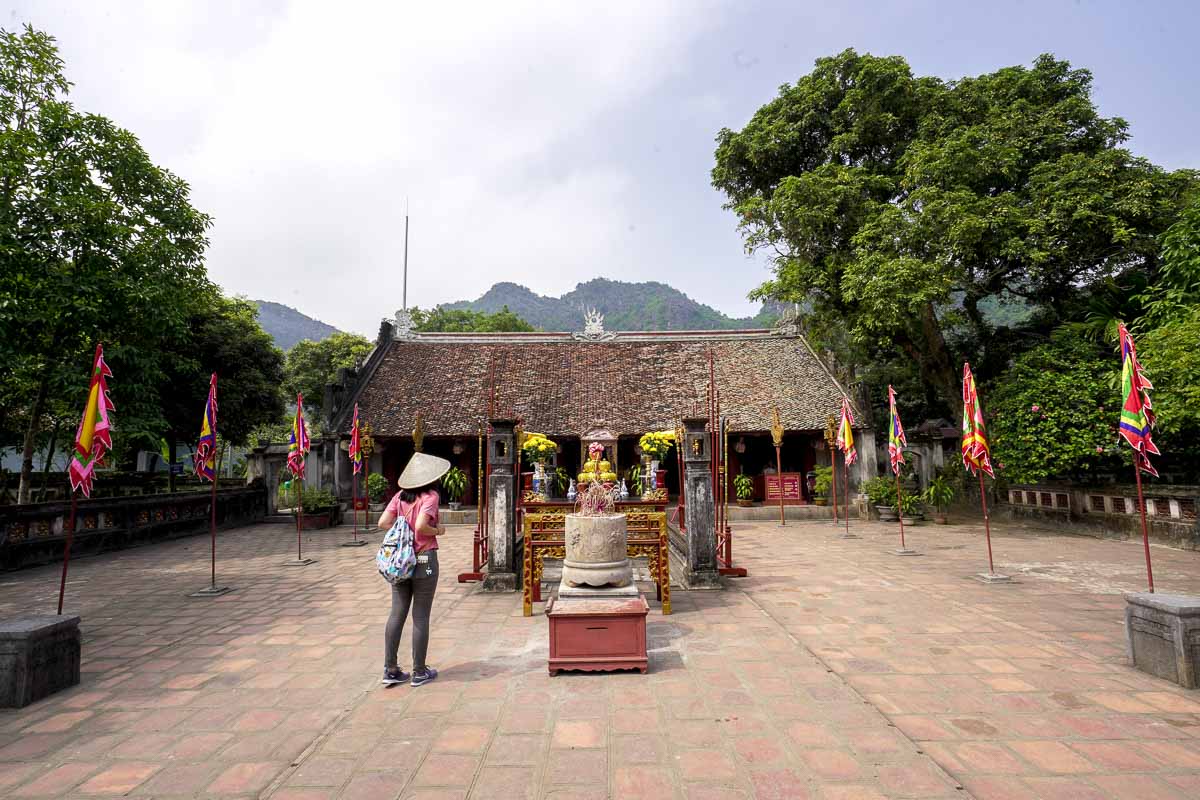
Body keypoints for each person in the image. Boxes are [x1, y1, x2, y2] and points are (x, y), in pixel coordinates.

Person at [378, 452, 449, 687]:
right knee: (420, 615)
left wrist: (402, 533)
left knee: (397, 613)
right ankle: (419, 671)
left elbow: (383, 523)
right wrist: (438, 531)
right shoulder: (430, 496)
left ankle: (391, 669)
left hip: (399, 562)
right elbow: (421, 527)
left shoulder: (400, 497)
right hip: (423, 559)